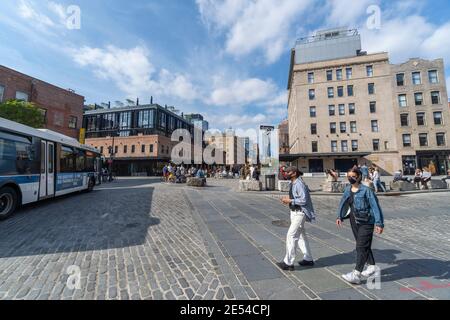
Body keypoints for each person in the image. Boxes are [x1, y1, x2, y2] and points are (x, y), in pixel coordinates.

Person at [336, 167, 384, 285]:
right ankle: (372, 266)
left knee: (360, 246)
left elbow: (375, 207)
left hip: (367, 221)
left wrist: (379, 223)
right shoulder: (348, 189)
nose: (350, 178)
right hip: (354, 220)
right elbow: (343, 203)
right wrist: (339, 216)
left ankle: (356, 274)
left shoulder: (366, 190)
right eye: (348, 176)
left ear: (358, 177)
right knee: (363, 244)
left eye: (352, 176)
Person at [277, 166, 316, 271]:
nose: (285, 174)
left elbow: (304, 200)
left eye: (287, 172)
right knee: (301, 236)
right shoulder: (293, 183)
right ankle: (308, 258)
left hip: (300, 212)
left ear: (294, 173)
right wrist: (289, 200)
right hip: (294, 212)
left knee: (291, 235)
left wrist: (290, 201)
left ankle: (288, 262)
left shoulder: (299, 183)